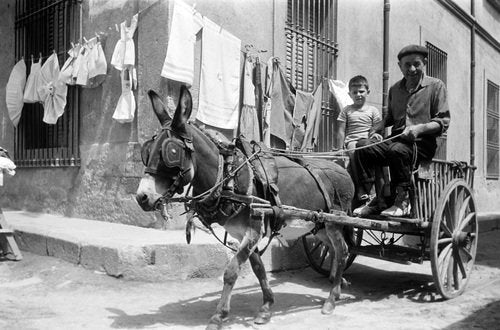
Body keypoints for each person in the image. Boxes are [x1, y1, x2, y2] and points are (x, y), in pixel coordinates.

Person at [352, 44, 450, 217]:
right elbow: (391, 117)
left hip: (422, 143)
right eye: (407, 65)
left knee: (396, 150)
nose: (412, 69)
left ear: (424, 63)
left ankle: (402, 202)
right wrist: (379, 126)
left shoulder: (436, 86)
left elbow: (443, 122)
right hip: (396, 140)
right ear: (400, 66)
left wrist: (420, 128)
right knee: (363, 147)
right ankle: (375, 198)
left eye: (416, 64)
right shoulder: (395, 89)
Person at [336, 75, 382, 204]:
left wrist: (375, 135)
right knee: (354, 153)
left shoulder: (373, 110)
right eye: (354, 92)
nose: (358, 95)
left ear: (368, 92)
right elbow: (341, 130)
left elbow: (377, 128)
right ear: (349, 94)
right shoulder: (346, 110)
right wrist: (340, 148)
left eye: (361, 91)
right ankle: (361, 188)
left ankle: (378, 190)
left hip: (367, 141)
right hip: (352, 141)